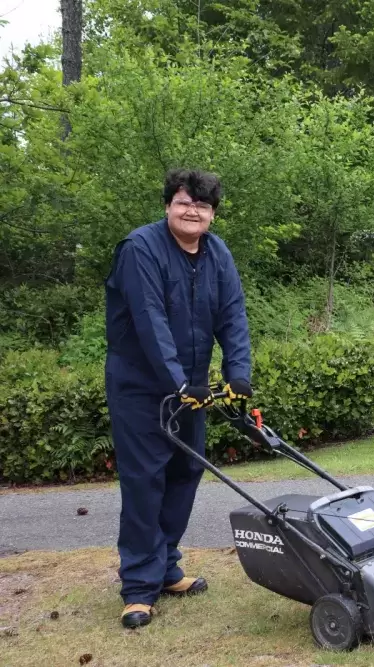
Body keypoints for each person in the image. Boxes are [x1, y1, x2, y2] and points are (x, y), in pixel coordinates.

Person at [104, 169, 253, 628]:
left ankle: (166, 567)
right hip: (141, 387)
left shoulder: (216, 251)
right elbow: (149, 319)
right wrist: (176, 380)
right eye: (185, 202)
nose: (193, 211)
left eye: (202, 207)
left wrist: (238, 374)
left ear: (211, 215)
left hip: (191, 388)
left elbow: (232, 311)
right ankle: (138, 586)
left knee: (185, 472)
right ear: (169, 204)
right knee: (145, 480)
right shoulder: (140, 249)